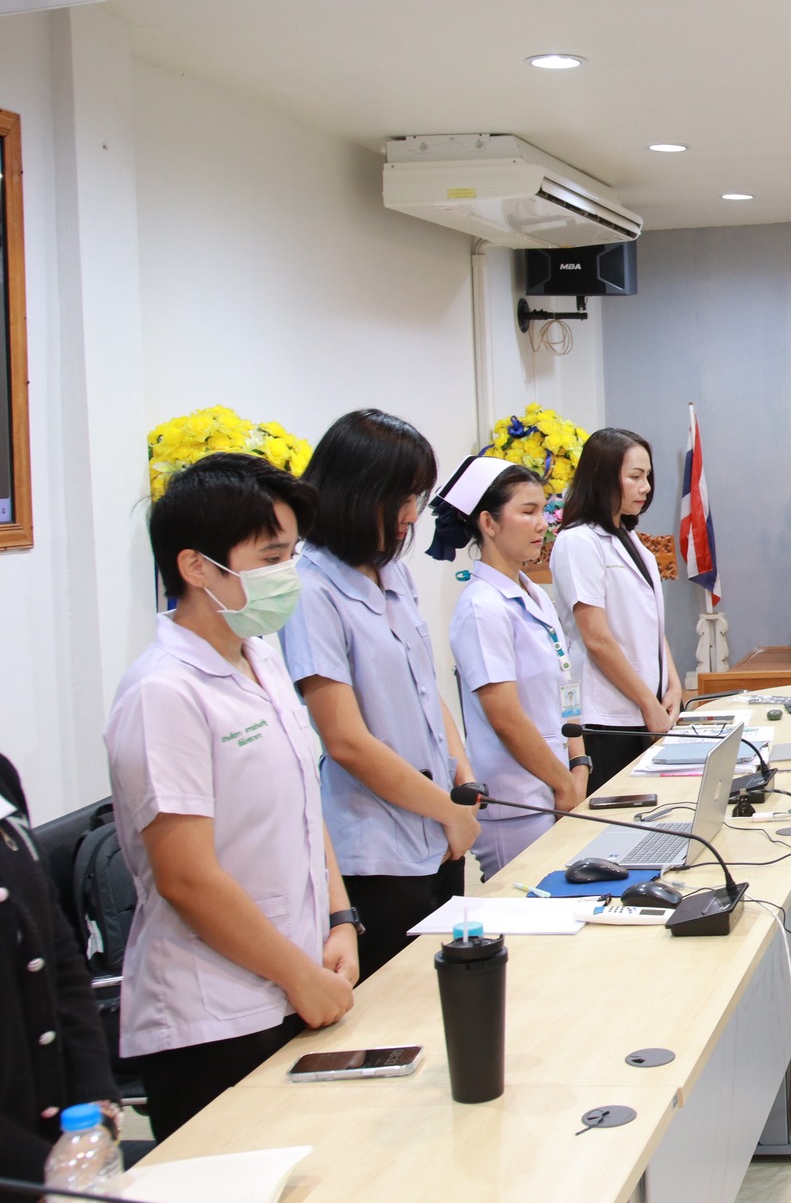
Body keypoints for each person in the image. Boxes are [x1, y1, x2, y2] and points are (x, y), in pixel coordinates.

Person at [106, 454, 359, 1140]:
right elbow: (186, 877)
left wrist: (339, 918)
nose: (289, 574)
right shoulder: (163, 691)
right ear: (196, 566)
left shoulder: (259, 656)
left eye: (292, 554)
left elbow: (304, 805)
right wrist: (297, 975)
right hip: (212, 1014)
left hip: (298, 979)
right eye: (271, 557)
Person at [281, 410, 478, 980]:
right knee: (398, 1003)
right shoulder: (310, 588)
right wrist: (448, 810)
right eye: (401, 498)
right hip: (378, 849)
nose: (412, 515)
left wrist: (462, 782)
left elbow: (426, 691)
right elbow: (345, 740)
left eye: (417, 497)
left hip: (440, 827)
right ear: (355, 492)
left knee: (452, 988)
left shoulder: (392, 573)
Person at [430, 456, 591, 881]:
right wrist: (564, 783)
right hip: (518, 802)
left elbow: (565, 688)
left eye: (544, 510)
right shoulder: (482, 607)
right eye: (528, 511)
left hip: (559, 788)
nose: (543, 524)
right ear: (488, 522)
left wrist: (580, 765)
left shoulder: (533, 594)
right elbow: (505, 716)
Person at [0, 753, 116, 1176]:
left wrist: (96, 1104)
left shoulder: (2, 776)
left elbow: (59, 957)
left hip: (58, 1148)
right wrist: (46, 1172)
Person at [552, 427, 682, 790]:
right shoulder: (578, 541)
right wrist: (648, 702)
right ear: (603, 477)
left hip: (646, 709)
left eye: (648, 477)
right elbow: (596, 638)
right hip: (608, 718)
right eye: (635, 477)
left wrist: (672, 685)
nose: (646, 487)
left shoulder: (631, 540)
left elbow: (652, 625)